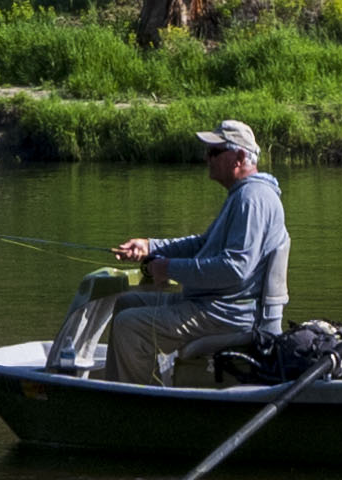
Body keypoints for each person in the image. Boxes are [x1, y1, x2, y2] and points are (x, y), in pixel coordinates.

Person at [100, 119, 289, 382]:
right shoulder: (242, 195)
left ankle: (139, 404)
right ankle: (129, 384)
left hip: (231, 314)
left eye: (214, 152)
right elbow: (203, 244)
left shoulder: (252, 199)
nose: (206, 158)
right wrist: (150, 247)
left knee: (129, 326)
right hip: (213, 304)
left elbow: (235, 269)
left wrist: (168, 268)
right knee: (127, 303)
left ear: (239, 157)